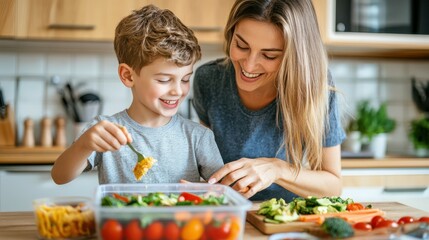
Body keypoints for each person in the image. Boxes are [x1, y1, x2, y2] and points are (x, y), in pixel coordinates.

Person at [51, 4, 224, 185]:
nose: (178, 91)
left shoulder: (198, 136)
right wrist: (83, 146)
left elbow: (223, 190)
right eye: (164, 80)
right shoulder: (107, 131)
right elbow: (59, 176)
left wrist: (204, 191)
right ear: (128, 76)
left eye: (185, 79)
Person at [193, 0, 346, 201]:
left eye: (269, 55)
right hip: (229, 214)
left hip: (287, 219)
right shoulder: (209, 79)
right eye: (241, 45)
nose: (249, 64)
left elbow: (333, 186)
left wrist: (278, 169)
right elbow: (206, 167)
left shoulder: (316, 87)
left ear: (294, 57)